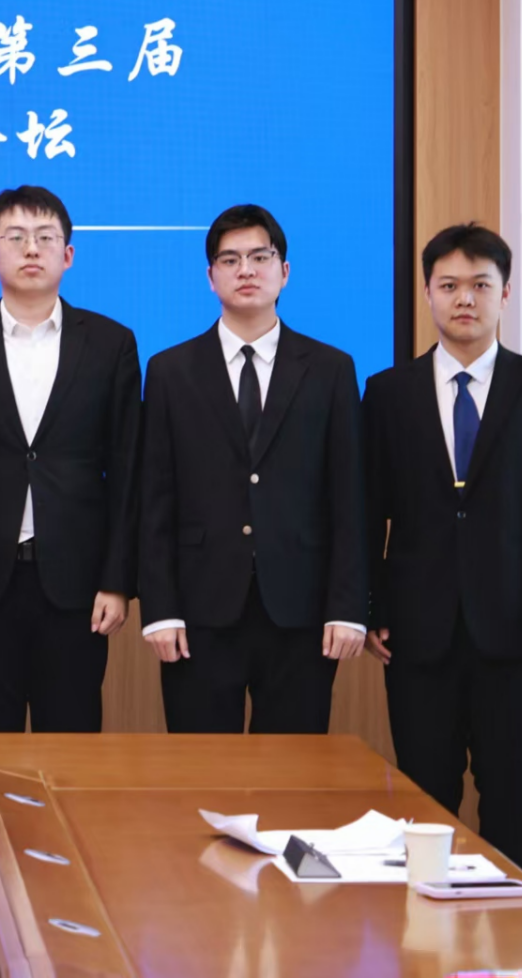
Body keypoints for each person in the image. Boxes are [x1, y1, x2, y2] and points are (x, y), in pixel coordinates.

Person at [363, 224, 522, 875]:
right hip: (415, 634)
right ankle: (426, 929)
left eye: (480, 285)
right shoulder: (388, 392)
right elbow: (366, 508)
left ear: (504, 293)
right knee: (423, 804)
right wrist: (372, 604)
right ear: (428, 292)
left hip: (517, 634)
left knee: (511, 804)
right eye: (450, 285)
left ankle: (514, 932)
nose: (465, 298)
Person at [0, 185, 140, 732]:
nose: (32, 249)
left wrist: (117, 579)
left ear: (69, 254)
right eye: (16, 238)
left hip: (77, 584)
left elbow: (127, 471)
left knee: (72, 740)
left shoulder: (111, 343)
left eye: (45, 237)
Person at [140, 204, 368, 734]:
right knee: (201, 770)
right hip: (199, 610)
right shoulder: (170, 370)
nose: (246, 270)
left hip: (302, 611)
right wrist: (160, 608)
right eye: (230, 259)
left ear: (284, 271)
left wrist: (348, 606)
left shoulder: (330, 369)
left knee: (293, 770)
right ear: (211, 276)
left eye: (260, 257)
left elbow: (349, 497)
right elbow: (154, 498)